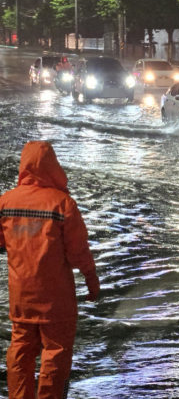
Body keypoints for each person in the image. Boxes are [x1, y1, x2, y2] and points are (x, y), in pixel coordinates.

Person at [0, 141, 100, 399]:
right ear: (53, 166)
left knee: (20, 353)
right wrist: (92, 280)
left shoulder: (5, 203)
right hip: (57, 302)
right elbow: (78, 252)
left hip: (21, 298)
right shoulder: (63, 204)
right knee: (56, 356)